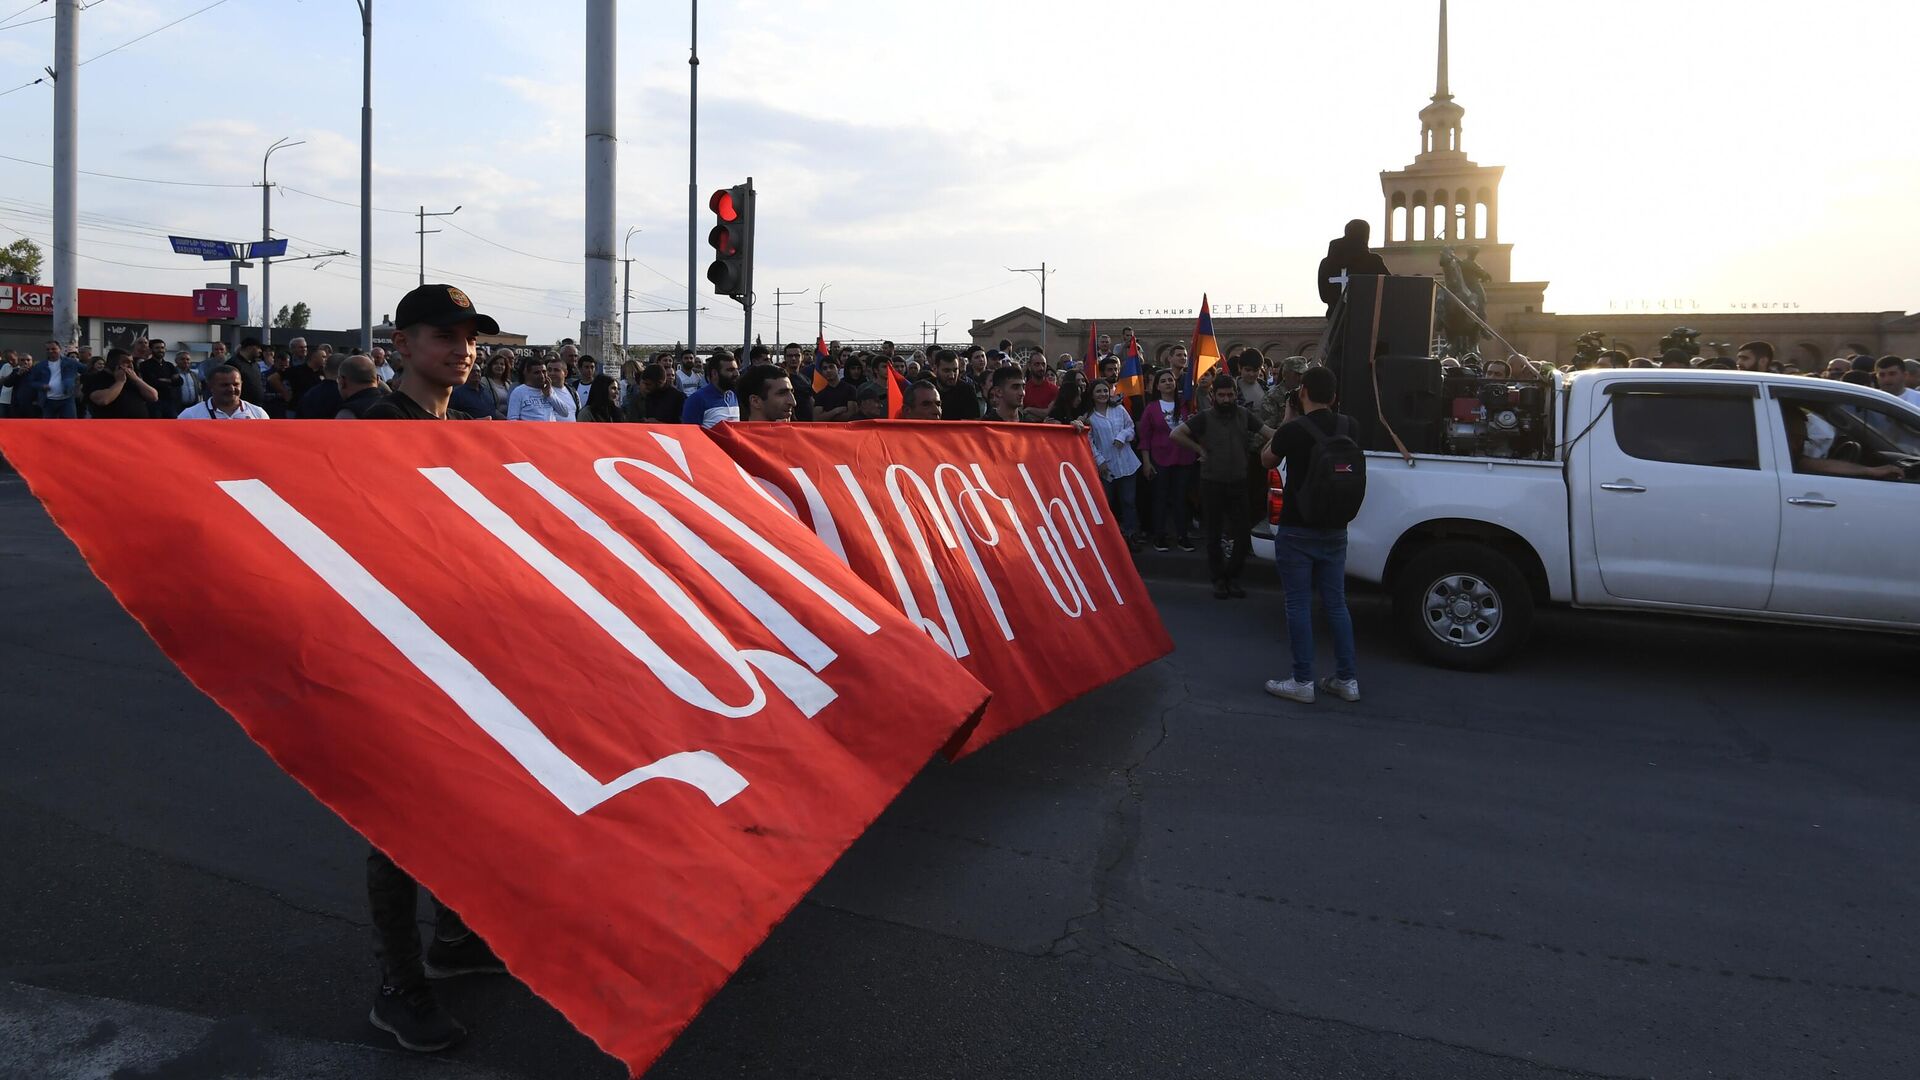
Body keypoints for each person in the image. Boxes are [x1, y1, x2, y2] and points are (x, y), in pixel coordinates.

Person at [352, 285, 505, 1052]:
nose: (462, 347)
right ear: (401, 345)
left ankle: (449, 940)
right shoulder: (375, 425)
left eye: (470, 336)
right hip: (394, 645)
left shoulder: (472, 428)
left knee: (459, 802)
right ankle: (397, 986)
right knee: (397, 824)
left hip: (461, 642)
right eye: (443, 334)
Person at [1260, 365, 1361, 704]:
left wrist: (1288, 417)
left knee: (1298, 604)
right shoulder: (1351, 426)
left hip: (1297, 527)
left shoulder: (1295, 430)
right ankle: (1347, 680)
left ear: (1302, 392)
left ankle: (1302, 680)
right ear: (1334, 397)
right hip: (1336, 527)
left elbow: (1266, 460)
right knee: (1336, 604)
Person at [1169, 375, 1264, 599]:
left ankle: (1233, 577)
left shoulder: (1244, 415)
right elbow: (1176, 434)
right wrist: (1199, 450)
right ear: (1213, 396)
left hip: (1239, 482)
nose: (1226, 399)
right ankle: (1218, 579)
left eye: (1230, 394)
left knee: (1242, 533)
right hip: (1212, 482)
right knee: (1213, 533)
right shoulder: (1205, 417)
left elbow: (1269, 433)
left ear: (1235, 394)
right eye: (1221, 395)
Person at [1138, 368, 1198, 551]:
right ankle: (1160, 536)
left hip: (1184, 457)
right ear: (1157, 386)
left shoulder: (1186, 405)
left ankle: (1182, 536)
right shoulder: (1151, 408)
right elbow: (1145, 437)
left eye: (1170, 380)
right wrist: (1146, 463)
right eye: (1163, 381)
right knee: (1160, 498)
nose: (1167, 383)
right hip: (1159, 458)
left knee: (1181, 499)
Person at [1086, 379, 1145, 547]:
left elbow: (1131, 427)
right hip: (1106, 466)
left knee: (1129, 501)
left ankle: (1131, 534)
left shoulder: (1119, 409)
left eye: (1105, 391)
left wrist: (1122, 437)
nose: (1103, 394)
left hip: (1126, 463)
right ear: (1092, 395)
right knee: (1106, 503)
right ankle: (1108, 539)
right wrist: (1099, 461)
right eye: (1099, 391)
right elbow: (1089, 441)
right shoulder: (1090, 417)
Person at [1317, 218, 1390, 314]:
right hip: (1364, 317)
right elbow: (1389, 287)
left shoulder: (1326, 263)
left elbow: (1325, 296)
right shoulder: (1373, 261)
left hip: (1335, 321)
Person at [82, 348, 159, 419]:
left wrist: (137, 380)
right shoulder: (95, 378)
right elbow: (103, 400)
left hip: (139, 426)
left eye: (131, 362)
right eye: (126, 362)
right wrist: (120, 382)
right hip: (111, 426)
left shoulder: (132, 378)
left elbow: (153, 396)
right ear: (113, 363)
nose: (131, 366)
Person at [177, 365, 270, 419]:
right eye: (224, 385)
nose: (231, 389)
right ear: (210, 386)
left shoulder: (258, 414)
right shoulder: (191, 415)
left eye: (236, 384)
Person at [24, 340, 82, 418]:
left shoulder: (70, 362)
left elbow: (86, 370)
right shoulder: (40, 366)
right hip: (48, 401)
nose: (50, 351)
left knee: (70, 425)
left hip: (67, 399)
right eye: (48, 349)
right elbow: (31, 382)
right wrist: (42, 385)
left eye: (53, 349)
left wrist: (78, 382)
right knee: (49, 426)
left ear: (59, 349)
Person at [681, 350, 740, 427]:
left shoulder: (733, 396)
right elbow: (690, 434)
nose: (737, 374)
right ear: (714, 373)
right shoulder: (697, 399)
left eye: (736, 369)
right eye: (730, 370)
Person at [507, 356, 571, 421]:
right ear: (528, 374)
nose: (542, 376)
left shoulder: (549, 389)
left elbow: (565, 413)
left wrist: (549, 395)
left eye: (544, 372)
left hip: (550, 430)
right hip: (530, 430)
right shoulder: (518, 392)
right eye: (537, 373)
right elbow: (512, 419)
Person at [810, 355, 855, 421]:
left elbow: (852, 415)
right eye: (824, 368)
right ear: (821, 372)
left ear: (838, 368)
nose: (828, 370)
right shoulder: (820, 394)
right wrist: (836, 411)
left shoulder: (850, 389)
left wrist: (827, 416)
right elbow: (817, 419)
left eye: (831, 367)